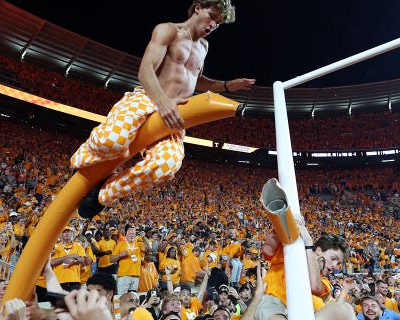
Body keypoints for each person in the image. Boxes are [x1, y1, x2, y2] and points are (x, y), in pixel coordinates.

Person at [72, 0, 255, 219]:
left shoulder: (204, 47)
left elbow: (194, 79)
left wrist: (226, 85)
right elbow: (145, 69)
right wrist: (162, 101)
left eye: (218, 23)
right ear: (198, 8)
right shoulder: (168, 30)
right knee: (113, 141)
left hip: (175, 115)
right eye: (212, 17)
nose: (213, 25)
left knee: (167, 165)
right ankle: (80, 160)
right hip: (148, 98)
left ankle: (102, 195)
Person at [257, 231, 356, 320]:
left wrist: (308, 245)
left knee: (345, 309)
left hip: (305, 315)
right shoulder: (293, 253)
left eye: (338, 263)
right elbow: (267, 249)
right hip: (275, 305)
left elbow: (315, 287)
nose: (335, 266)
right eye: (333, 258)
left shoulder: (324, 282)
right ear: (318, 250)